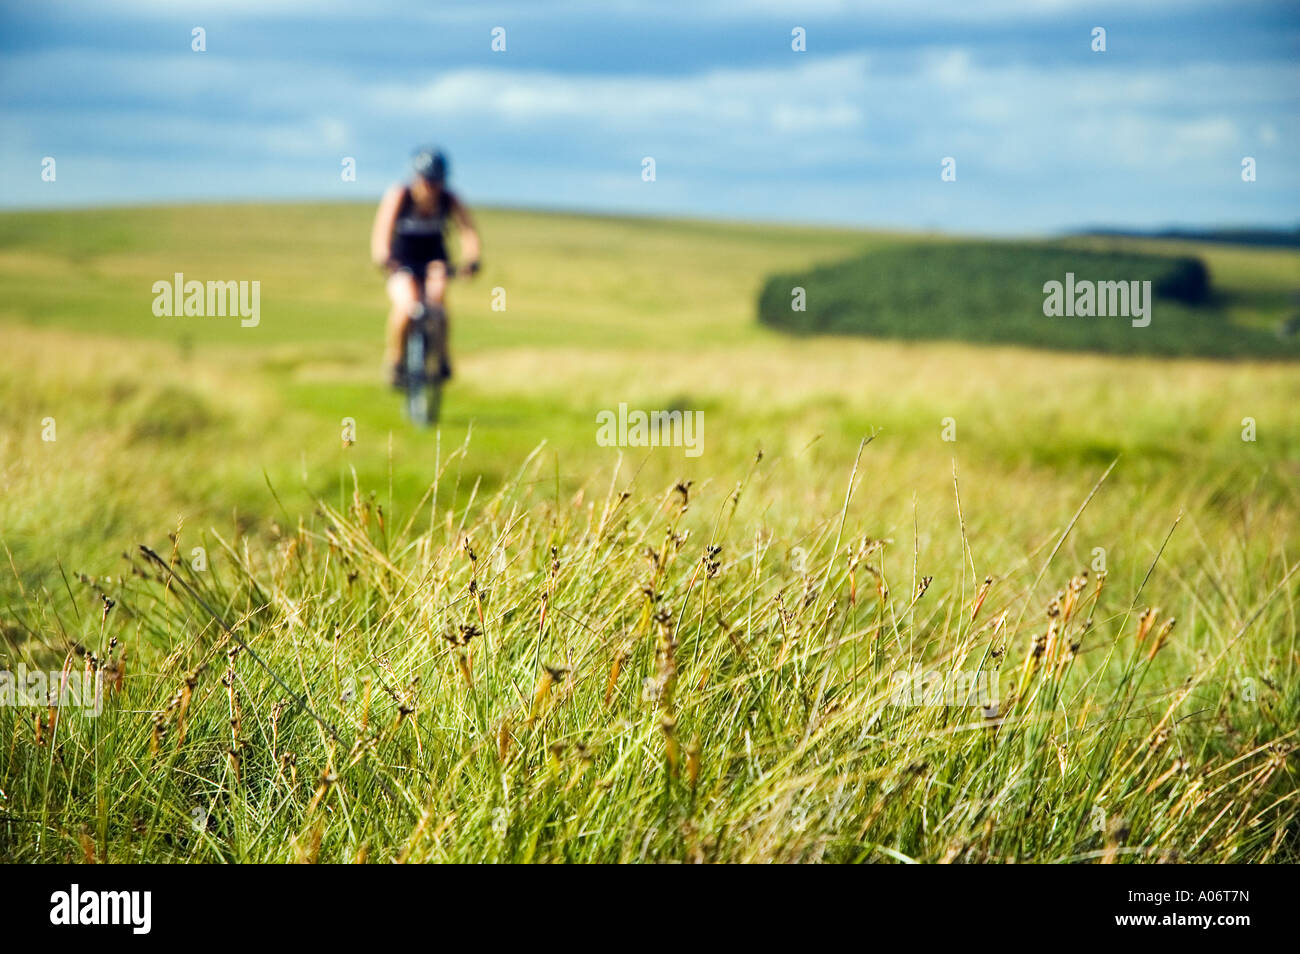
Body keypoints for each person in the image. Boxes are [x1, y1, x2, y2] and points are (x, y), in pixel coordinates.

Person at [370, 147, 480, 386]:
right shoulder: (400, 196)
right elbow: (383, 230)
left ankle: (441, 358)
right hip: (402, 260)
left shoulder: (449, 199)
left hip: (434, 259)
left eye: (436, 182)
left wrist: (472, 260)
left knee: (437, 302)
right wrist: (383, 257)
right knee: (407, 307)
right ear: (416, 177)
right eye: (426, 181)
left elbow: (467, 231)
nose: (431, 187)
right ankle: (396, 362)